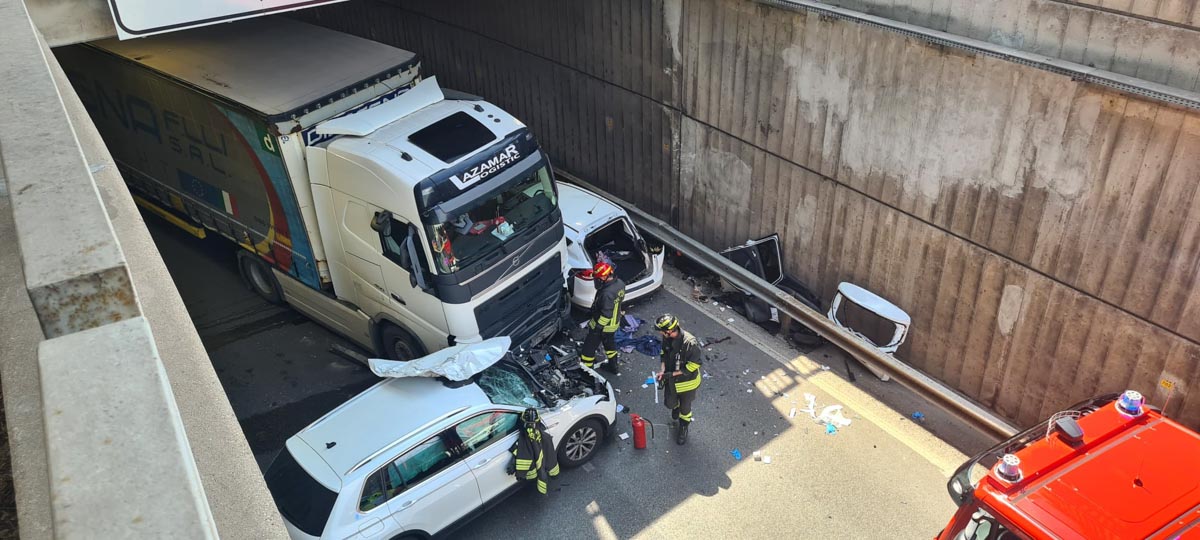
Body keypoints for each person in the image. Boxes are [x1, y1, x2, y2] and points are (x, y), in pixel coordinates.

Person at [655, 314, 702, 445]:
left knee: (685, 409)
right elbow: (664, 353)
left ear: (669, 330)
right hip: (671, 380)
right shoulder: (667, 337)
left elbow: (695, 364)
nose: (660, 332)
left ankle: (683, 428)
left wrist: (673, 374)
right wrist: (663, 370)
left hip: (688, 383)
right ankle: (675, 407)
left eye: (661, 330)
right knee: (670, 403)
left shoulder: (690, 343)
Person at [579, 262, 625, 374]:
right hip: (614, 324)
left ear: (604, 276)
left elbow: (606, 314)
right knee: (609, 345)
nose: (597, 280)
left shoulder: (607, 293)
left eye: (598, 278)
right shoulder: (620, 283)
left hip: (604, 326)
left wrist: (598, 328)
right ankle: (613, 366)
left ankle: (586, 371)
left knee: (588, 349)